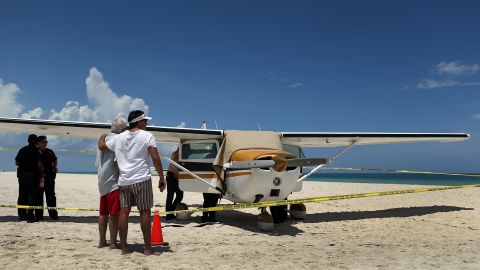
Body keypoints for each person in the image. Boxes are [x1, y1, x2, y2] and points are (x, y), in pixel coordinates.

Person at [98, 110, 167, 256]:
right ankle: (147, 249)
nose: (147, 124)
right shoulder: (147, 135)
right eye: (145, 121)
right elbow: (155, 158)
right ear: (139, 121)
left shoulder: (119, 138)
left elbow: (102, 146)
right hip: (142, 179)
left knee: (124, 213)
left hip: (124, 181)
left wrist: (103, 136)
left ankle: (124, 249)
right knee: (145, 212)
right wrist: (162, 177)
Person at [95, 118, 127, 249]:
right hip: (113, 182)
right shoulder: (116, 140)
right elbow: (117, 163)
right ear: (123, 129)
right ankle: (113, 243)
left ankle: (102, 241)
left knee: (103, 213)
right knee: (114, 215)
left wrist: (102, 135)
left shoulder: (104, 138)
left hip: (102, 181)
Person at [15, 134, 43, 223]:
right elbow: (39, 164)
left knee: (22, 195)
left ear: (28, 141)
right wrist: (42, 172)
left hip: (22, 175)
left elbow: (16, 162)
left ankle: (22, 215)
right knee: (32, 195)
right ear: (37, 142)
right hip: (32, 175)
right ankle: (30, 216)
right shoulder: (37, 151)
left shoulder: (22, 149)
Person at [36, 135, 59, 221]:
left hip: (49, 177)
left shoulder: (49, 151)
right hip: (39, 178)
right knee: (39, 196)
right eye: (44, 142)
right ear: (38, 143)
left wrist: (54, 168)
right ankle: (39, 215)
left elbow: (55, 159)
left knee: (51, 196)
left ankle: (53, 214)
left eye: (46, 142)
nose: (45, 144)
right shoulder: (35, 152)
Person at [165, 148, 183, 220]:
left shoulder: (184, 155)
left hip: (178, 177)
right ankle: (169, 215)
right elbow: (175, 156)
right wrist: (181, 144)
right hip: (171, 176)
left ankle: (171, 212)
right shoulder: (175, 153)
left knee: (180, 196)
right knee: (170, 195)